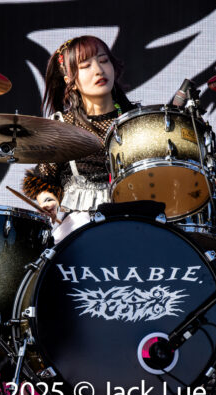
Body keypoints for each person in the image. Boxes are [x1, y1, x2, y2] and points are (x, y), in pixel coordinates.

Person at [22, 36, 134, 242]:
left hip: (135, 223)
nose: (98, 70)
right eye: (85, 66)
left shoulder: (139, 119)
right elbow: (43, 181)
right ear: (70, 81)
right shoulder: (62, 126)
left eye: (103, 60)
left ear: (114, 67)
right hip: (80, 229)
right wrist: (48, 201)